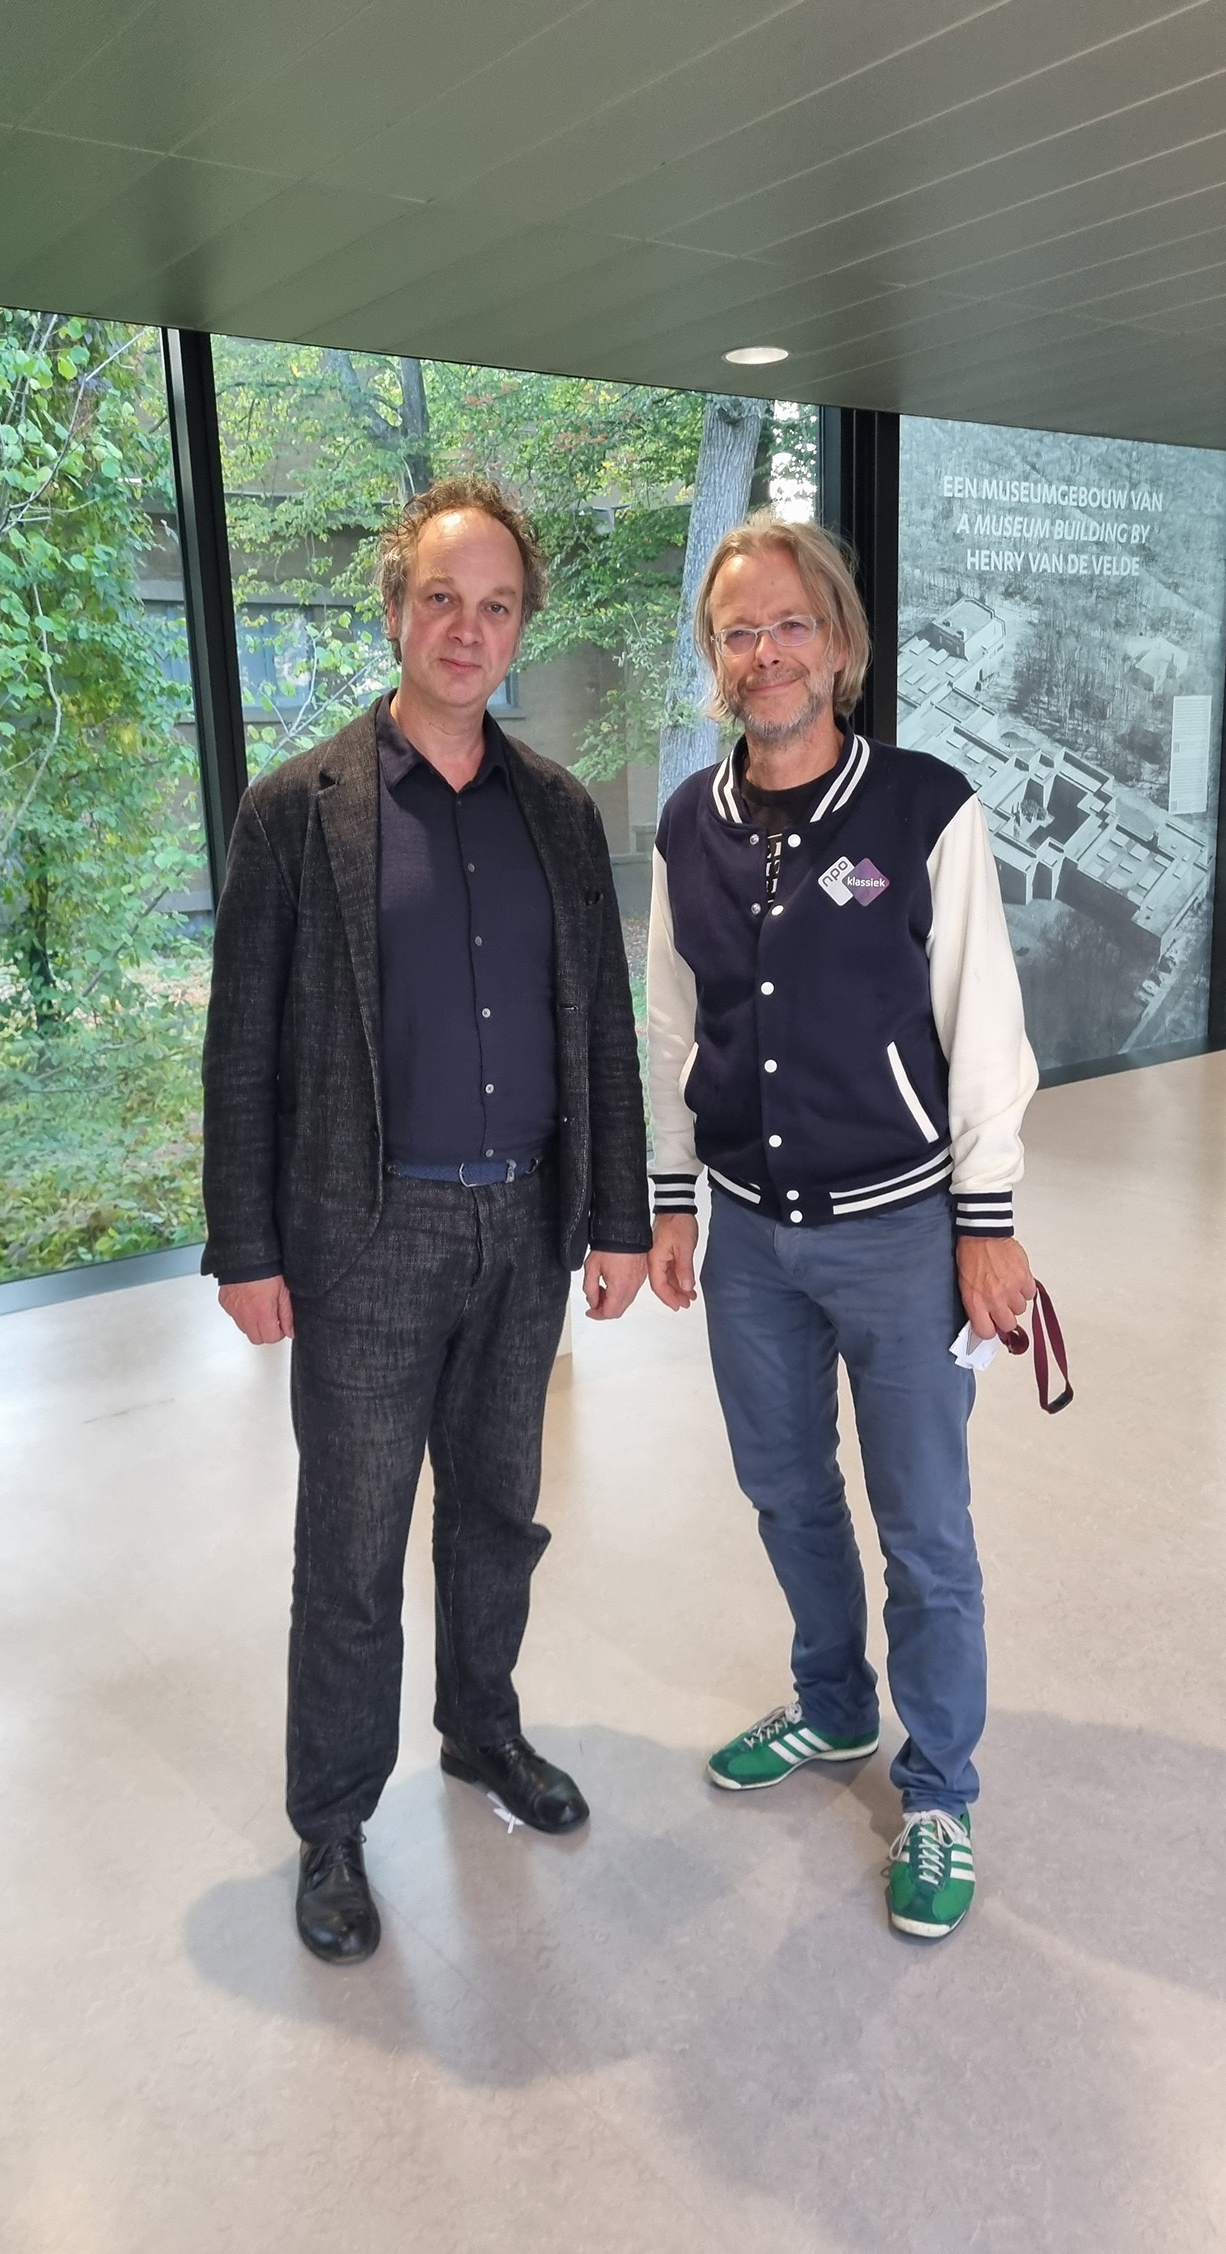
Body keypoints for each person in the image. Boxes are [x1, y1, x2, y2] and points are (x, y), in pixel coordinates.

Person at [202, 476, 650, 1964]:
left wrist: (616, 1214)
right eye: (443, 599)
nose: (469, 628)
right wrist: (247, 1246)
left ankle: (482, 1729)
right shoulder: (296, 811)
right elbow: (243, 1048)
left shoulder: (561, 813)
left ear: (522, 628)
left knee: (499, 1512)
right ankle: (333, 1822)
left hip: (522, 1233)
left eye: (497, 605)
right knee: (351, 1541)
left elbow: (601, 1026)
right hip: (366, 1236)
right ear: (396, 610)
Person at [647, 512, 1038, 1941]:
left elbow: (983, 1029)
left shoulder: (926, 809)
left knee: (925, 1528)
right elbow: (673, 1023)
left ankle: (939, 1788)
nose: (765, 653)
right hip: (750, 1239)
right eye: (738, 632)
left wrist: (987, 1223)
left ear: (841, 644)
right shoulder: (687, 825)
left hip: (902, 1234)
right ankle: (832, 1703)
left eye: (790, 624)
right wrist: (672, 1194)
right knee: (786, 1489)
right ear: (717, 658)